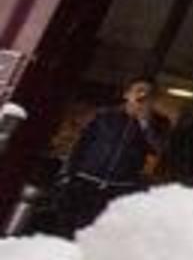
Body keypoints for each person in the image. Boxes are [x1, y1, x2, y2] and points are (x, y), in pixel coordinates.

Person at [36, 77, 163, 238]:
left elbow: (157, 149)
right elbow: (81, 144)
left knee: (94, 232)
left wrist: (144, 122)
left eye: (148, 94)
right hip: (85, 180)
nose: (142, 95)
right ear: (127, 94)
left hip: (117, 187)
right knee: (65, 227)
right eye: (138, 90)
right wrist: (67, 174)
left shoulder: (158, 123)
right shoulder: (105, 115)